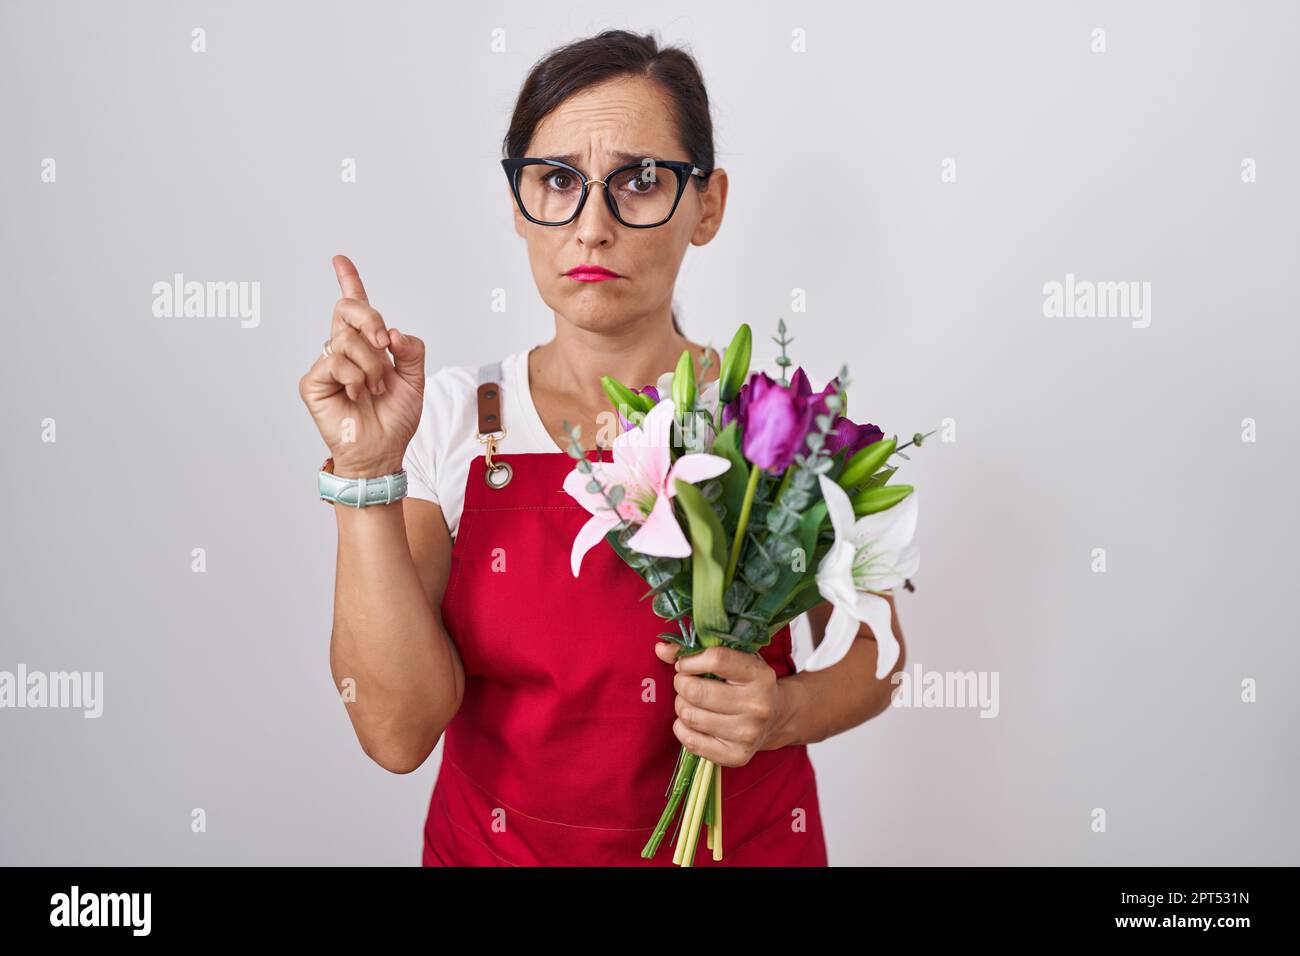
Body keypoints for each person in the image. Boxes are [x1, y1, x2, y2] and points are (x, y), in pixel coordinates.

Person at [298, 29, 907, 867]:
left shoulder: (777, 425)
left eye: (641, 180)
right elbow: (398, 732)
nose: (591, 226)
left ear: (709, 204)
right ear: (518, 204)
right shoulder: (449, 419)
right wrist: (366, 471)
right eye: (556, 182)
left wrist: (782, 714)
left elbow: (880, 654)